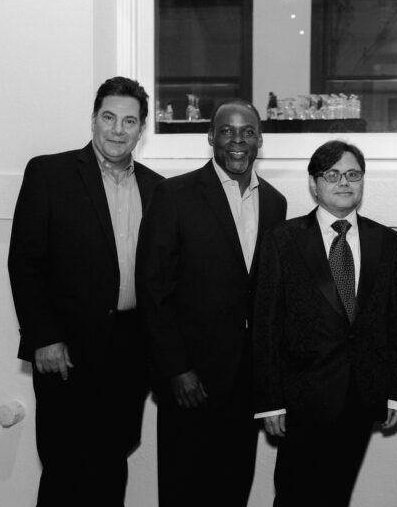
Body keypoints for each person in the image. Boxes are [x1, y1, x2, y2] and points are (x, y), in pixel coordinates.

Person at [8, 77, 163, 507]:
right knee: (64, 466)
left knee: (112, 462)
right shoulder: (49, 173)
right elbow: (25, 262)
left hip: (129, 353)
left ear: (141, 129)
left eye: (129, 121)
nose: (117, 130)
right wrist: (44, 336)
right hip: (65, 351)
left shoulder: (158, 188)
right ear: (93, 119)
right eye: (109, 117)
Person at [136, 98, 287, 506]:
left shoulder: (275, 203)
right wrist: (176, 368)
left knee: (233, 487)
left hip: (245, 383)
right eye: (226, 131)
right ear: (210, 137)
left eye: (247, 132)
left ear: (260, 140)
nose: (237, 141)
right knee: (184, 490)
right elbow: (153, 289)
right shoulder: (174, 195)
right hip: (190, 380)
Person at [253, 140, 397, 507]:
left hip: (361, 394)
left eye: (353, 174)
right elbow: (266, 324)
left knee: (337, 494)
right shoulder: (284, 239)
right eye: (333, 174)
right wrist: (270, 401)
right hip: (301, 397)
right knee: (294, 495)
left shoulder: (385, 240)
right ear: (314, 183)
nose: (344, 182)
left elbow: (395, 321)